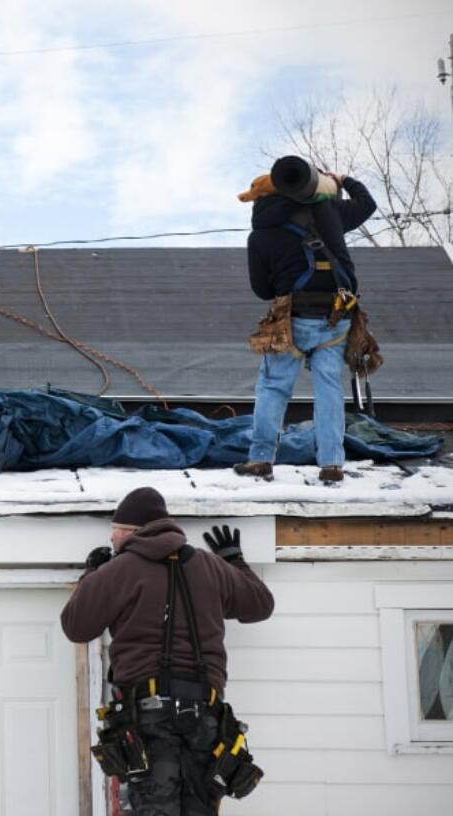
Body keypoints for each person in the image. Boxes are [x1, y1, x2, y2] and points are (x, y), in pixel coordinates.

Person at [61, 487, 275, 816]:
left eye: (114, 532)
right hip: (206, 718)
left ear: (132, 531)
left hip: (148, 721)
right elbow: (260, 604)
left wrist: (93, 574)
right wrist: (235, 561)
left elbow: (76, 626)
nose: (112, 540)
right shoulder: (210, 566)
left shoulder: (119, 571)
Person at [236, 170, 377, 484]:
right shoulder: (329, 212)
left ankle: (260, 459)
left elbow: (262, 290)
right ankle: (331, 464)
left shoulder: (260, 233)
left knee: (273, 387)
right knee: (328, 389)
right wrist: (343, 180)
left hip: (292, 319)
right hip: (336, 317)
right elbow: (367, 204)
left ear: (259, 199)